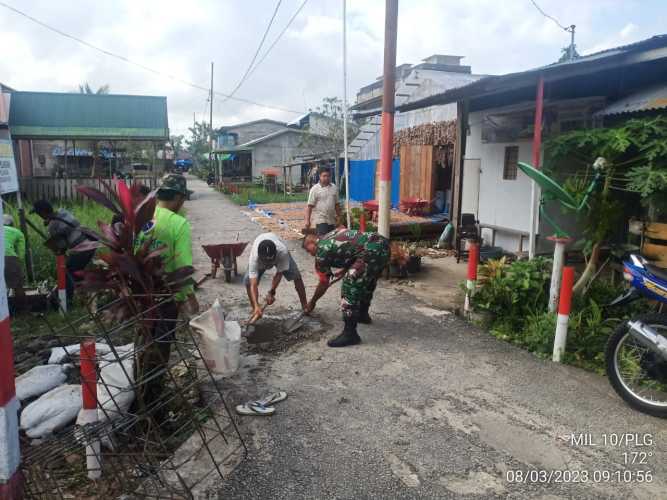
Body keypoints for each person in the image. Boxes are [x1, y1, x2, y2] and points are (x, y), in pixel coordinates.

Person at [135, 173, 197, 413]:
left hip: (140, 293)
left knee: (143, 340)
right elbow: (182, 266)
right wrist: (185, 297)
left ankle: (141, 385)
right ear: (179, 197)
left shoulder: (143, 216)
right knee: (161, 345)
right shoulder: (177, 223)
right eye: (183, 199)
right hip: (166, 296)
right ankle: (154, 399)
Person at [303, 228, 390, 348]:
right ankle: (362, 315)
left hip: (369, 252)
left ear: (311, 243)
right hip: (382, 244)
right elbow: (353, 247)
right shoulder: (331, 234)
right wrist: (345, 269)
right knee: (368, 280)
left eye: (308, 251)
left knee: (349, 285)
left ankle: (350, 334)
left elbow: (324, 283)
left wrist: (312, 302)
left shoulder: (321, 252)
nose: (310, 254)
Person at [31, 199, 96, 302]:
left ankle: (66, 301)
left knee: (67, 273)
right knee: (76, 272)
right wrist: (50, 220)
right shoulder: (63, 212)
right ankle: (85, 296)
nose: (39, 215)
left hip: (81, 249)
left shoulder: (53, 226)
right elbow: (67, 223)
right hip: (90, 244)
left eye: (38, 213)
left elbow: (61, 248)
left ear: (42, 212)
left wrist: (53, 245)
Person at [245, 232, 308, 322]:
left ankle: (305, 306)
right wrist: (256, 305)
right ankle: (255, 308)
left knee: (296, 276)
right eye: (265, 262)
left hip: (279, 256)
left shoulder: (282, 251)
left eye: (270, 261)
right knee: (248, 281)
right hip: (261, 256)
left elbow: (279, 274)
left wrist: (271, 292)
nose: (268, 264)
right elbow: (253, 284)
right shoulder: (254, 257)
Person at [305, 167, 340, 236]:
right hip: (321, 220)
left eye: (328, 176)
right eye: (324, 176)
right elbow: (309, 206)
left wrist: (339, 217)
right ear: (319, 176)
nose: (326, 178)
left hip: (332, 220)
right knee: (323, 241)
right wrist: (307, 220)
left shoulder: (334, 188)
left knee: (331, 241)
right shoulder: (315, 189)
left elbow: (337, 204)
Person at [3, 214, 26, 311]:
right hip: (9, 257)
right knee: (17, 286)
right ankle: (22, 310)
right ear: (11, 223)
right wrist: (17, 263)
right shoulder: (17, 232)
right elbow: (21, 252)